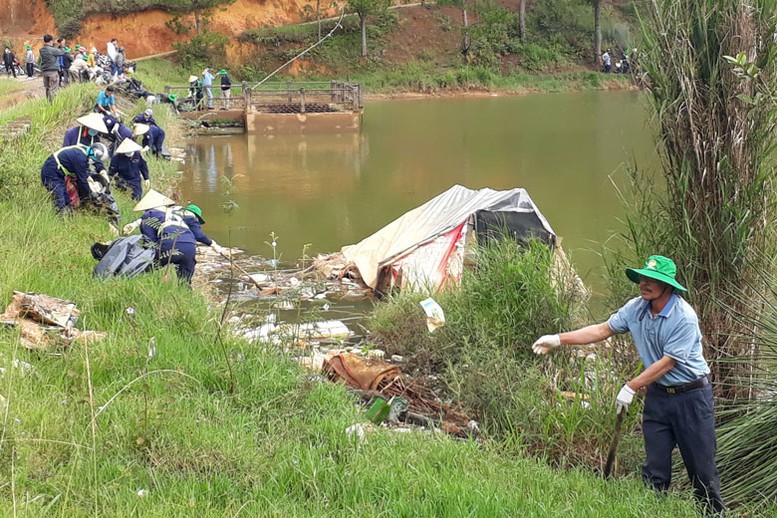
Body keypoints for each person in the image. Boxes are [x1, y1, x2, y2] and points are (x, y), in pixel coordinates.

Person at [531, 255, 724, 515]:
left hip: (691, 397)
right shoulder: (636, 308)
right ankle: (651, 512)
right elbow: (602, 330)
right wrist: (557, 339)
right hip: (659, 397)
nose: (645, 283)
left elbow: (668, 363)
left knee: (702, 472)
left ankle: (713, 514)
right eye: (643, 277)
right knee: (654, 470)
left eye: (653, 279)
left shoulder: (684, 317)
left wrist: (631, 386)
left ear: (668, 286)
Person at [123, 201, 224, 284]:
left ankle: (132, 279)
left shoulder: (167, 212)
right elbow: (198, 235)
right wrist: (212, 244)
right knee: (185, 281)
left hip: (168, 244)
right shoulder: (190, 217)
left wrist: (136, 224)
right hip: (189, 248)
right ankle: (185, 297)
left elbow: (149, 220)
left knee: (149, 267)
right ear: (197, 216)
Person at [40, 144, 108, 213]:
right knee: (60, 198)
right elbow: (82, 182)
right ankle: (60, 218)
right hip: (51, 171)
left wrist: (102, 170)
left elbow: (95, 164)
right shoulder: (80, 158)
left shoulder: (85, 150)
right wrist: (86, 198)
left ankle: (68, 217)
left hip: (57, 173)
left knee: (67, 200)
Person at [39, 35, 66, 102]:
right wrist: (62, 44)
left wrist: (54, 44)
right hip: (53, 72)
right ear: (51, 41)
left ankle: (48, 103)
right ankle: (53, 105)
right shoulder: (52, 50)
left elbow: (51, 50)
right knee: (53, 89)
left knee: (48, 89)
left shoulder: (42, 50)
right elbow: (62, 52)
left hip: (45, 72)